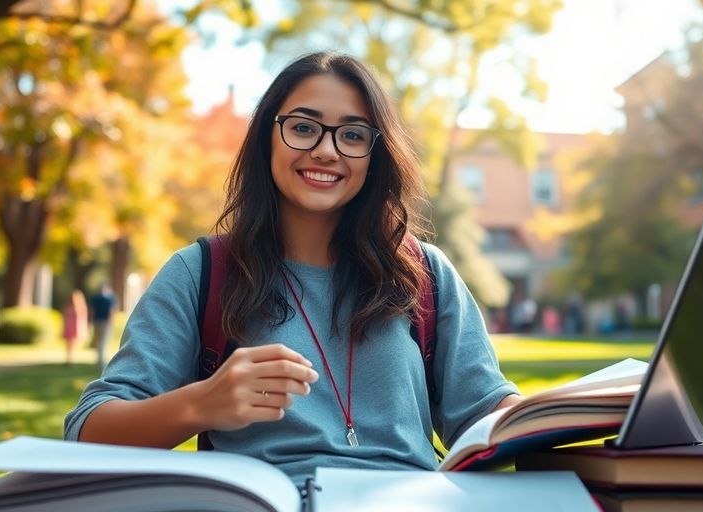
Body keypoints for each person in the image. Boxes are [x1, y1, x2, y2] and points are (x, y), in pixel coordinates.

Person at [63, 52, 521, 488]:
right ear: (267, 137)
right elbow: (86, 432)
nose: (326, 151)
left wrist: (557, 414)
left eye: (353, 135)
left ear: (374, 155)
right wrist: (202, 403)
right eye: (303, 128)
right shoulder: (200, 271)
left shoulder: (423, 273)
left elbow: (486, 412)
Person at [89, 283, 116, 370]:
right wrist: (110, 322)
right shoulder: (110, 299)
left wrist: (91, 321)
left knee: (99, 342)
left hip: (97, 322)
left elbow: (92, 311)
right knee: (103, 342)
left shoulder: (95, 298)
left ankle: (99, 361)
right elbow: (111, 312)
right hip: (104, 322)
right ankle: (101, 362)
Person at [63, 290, 88, 365]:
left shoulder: (80, 307)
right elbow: (64, 317)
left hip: (75, 327)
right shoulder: (67, 307)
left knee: (73, 344)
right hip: (69, 327)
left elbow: (82, 319)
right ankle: (69, 359)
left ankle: (71, 359)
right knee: (69, 344)